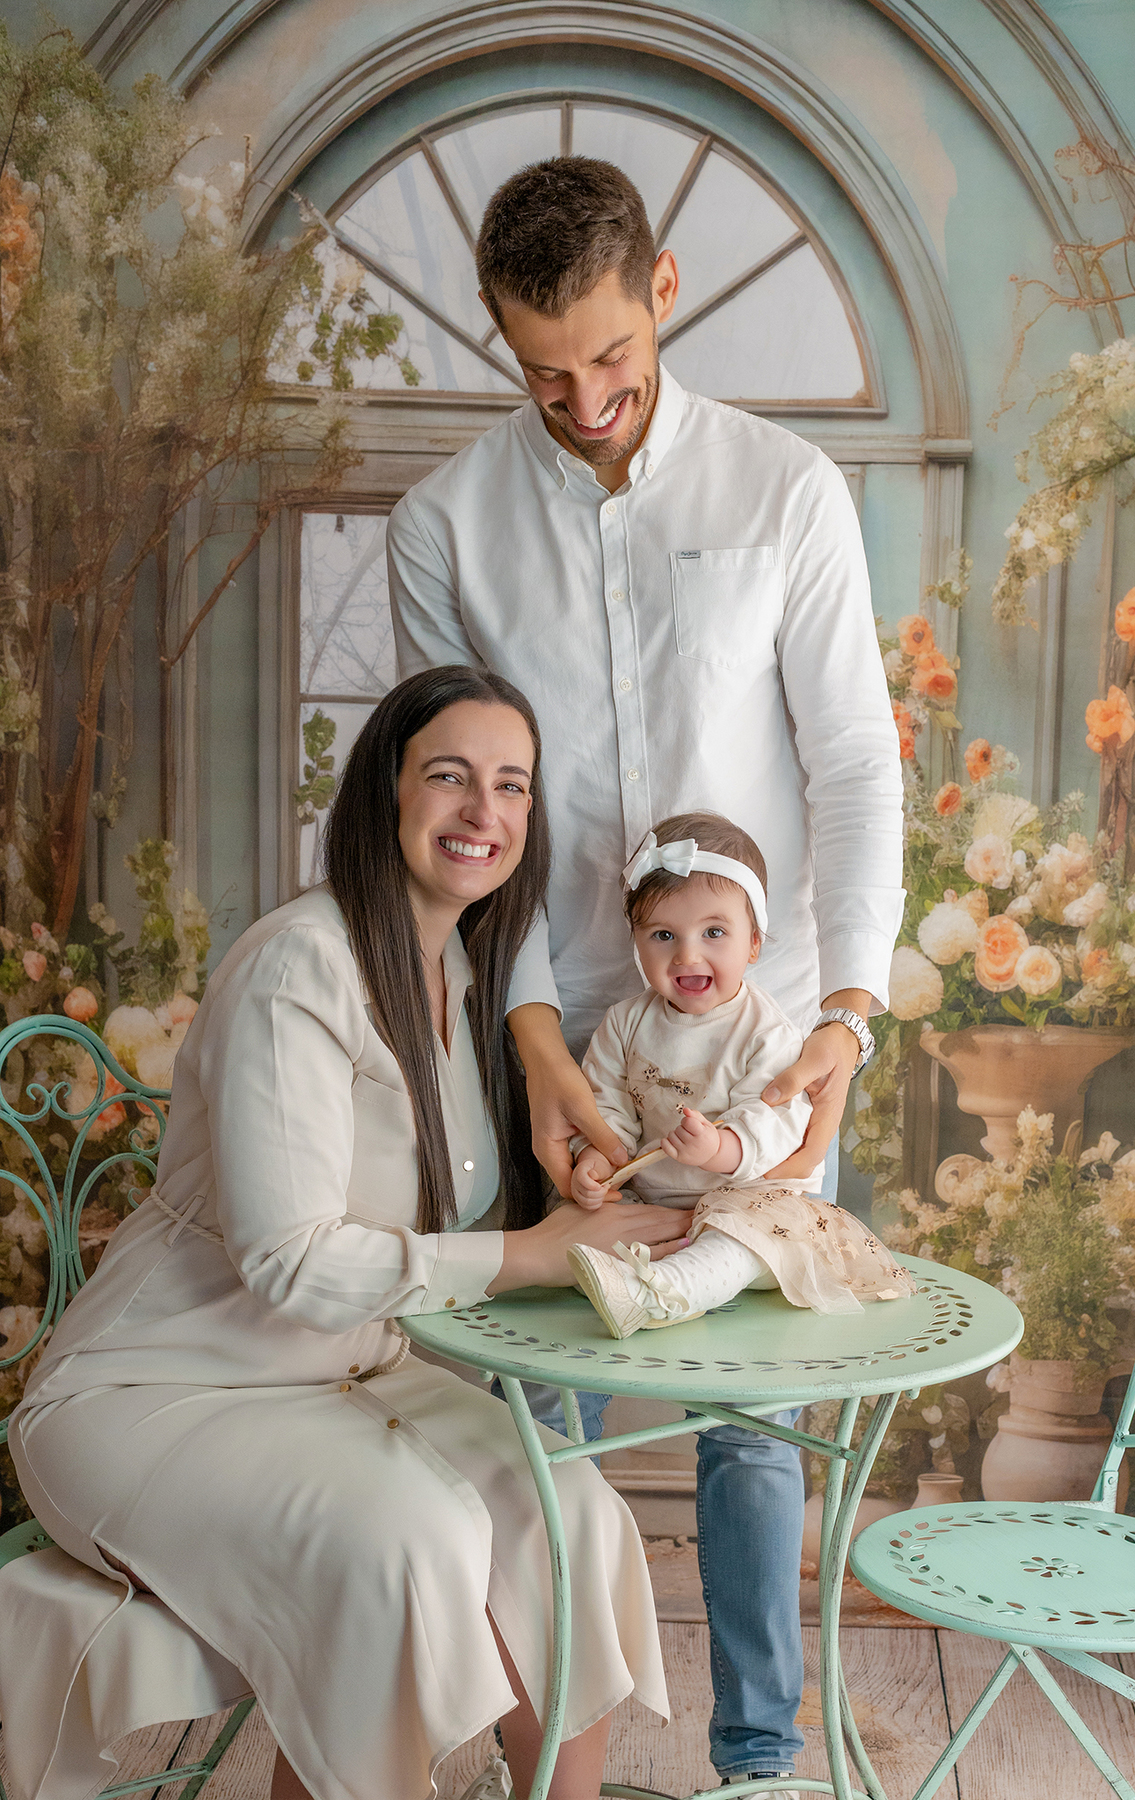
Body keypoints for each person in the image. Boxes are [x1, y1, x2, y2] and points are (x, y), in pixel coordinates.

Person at [388, 156, 904, 1788]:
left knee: (753, 1415)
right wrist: (531, 1043)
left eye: (612, 356)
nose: (587, 398)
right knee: (543, 1398)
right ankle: (553, 1748)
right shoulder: (443, 527)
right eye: (544, 369)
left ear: (663, 290)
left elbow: (853, 767)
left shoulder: (787, 492)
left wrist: (846, 1019)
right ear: (500, 337)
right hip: (552, 1040)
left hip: (766, 1046)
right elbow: (466, 822)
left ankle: (759, 1754)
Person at [3, 667, 684, 1800]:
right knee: (403, 1547)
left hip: (345, 1379)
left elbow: (435, 1216)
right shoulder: (299, 965)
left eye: (511, 786)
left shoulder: (460, 975)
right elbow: (292, 1258)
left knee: (569, 1513)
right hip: (156, 1394)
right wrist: (531, 1253)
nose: (485, 812)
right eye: (451, 778)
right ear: (385, 791)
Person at [566, 814, 915, 1339]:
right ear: (636, 942)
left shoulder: (766, 1031)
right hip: (653, 1198)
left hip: (748, 1194)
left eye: (714, 932)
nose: (687, 954)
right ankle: (625, 1281)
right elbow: (606, 1103)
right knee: (578, 1224)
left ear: (753, 943)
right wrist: (595, 1158)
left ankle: (655, 1293)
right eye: (663, 934)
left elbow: (772, 1124)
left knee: (741, 1243)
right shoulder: (624, 1023)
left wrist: (718, 1149)